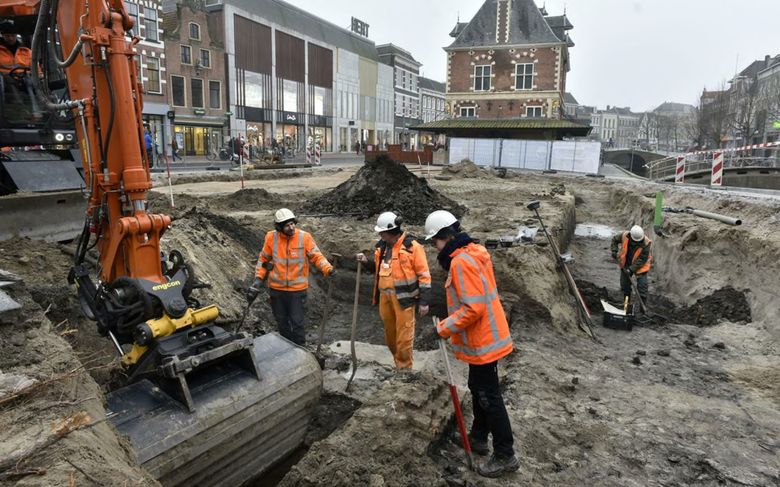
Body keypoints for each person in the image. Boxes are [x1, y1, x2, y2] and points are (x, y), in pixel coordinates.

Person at [424, 210, 519, 478]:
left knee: (489, 396)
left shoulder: (461, 262)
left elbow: (472, 309)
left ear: (446, 237)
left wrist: (444, 328)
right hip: (487, 337)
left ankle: (505, 455)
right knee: (479, 389)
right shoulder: (474, 251)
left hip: (484, 340)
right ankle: (478, 437)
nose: (434, 247)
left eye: (435, 242)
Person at [356, 212, 431, 370]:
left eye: (382, 233)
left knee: (403, 339)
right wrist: (366, 262)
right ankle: (398, 362)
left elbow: (424, 276)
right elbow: (380, 270)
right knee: (390, 337)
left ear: (392, 231)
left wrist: (424, 302)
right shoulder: (382, 248)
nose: (380, 236)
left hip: (404, 300)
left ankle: (404, 369)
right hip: (385, 298)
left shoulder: (412, 248)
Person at [248, 208, 333, 346]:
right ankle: (286, 348)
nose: (291, 227)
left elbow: (317, 256)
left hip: (296, 290)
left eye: (293, 223)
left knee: (297, 322)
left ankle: (301, 349)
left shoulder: (304, 237)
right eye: (287, 225)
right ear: (279, 227)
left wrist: (328, 269)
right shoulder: (271, 237)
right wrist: (258, 280)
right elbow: (263, 260)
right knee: (281, 322)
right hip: (277, 290)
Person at [610, 225, 652, 307]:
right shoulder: (624, 235)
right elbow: (614, 240)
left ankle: (642, 308)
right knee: (625, 286)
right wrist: (614, 251)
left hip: (641, 266)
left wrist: (631, 269)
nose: (637, 242)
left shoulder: (646, 243)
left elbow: (642, 260)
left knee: (642, 286)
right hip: (626, 263)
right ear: (631, 236)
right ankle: (626, 305)